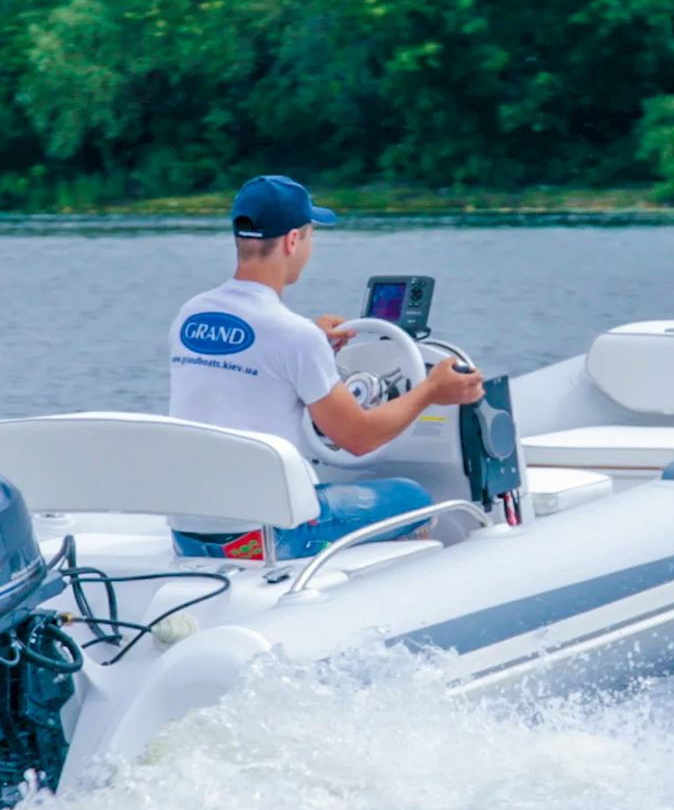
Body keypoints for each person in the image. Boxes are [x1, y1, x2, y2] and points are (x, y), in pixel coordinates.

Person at [168, 174, 484, 559]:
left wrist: (319, 350)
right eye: (312, 235)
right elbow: (359, 437)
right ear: (292, 241)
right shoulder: (295, 336)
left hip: (189, 532)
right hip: (265, 537)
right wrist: (431, 391)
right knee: (413, 497)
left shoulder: (191, 315)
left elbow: (247, 377)